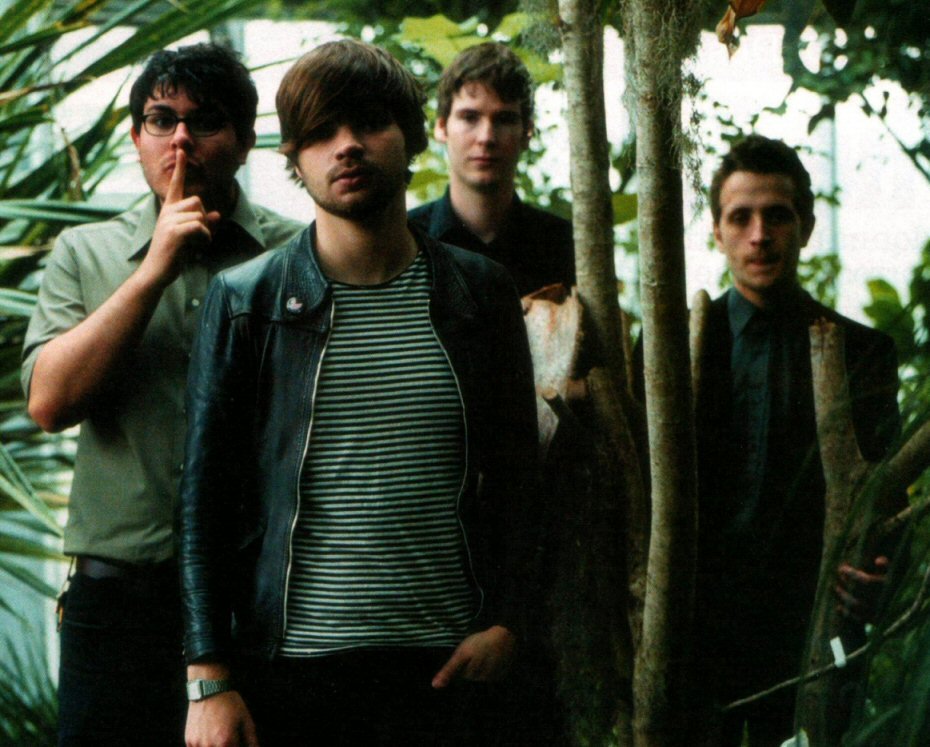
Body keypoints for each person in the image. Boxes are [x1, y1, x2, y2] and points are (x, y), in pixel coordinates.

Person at [179, 39, 539, 746]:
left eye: (370, 123)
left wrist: (508, 621)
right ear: (293, 156)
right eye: (321, 132)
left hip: (448, 668)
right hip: (294, 672)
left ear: (412, 137)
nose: (346, 146)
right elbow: (204, 498)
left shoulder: (478, 292)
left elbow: (519, 476)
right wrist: (208, 677)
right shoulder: (247, 300)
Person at [21, 43, 302, 746]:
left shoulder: (296, 255)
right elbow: (49, 403)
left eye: (205, 121)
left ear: (244, 142)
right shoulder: (84, 253)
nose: (180, 139)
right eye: (160, 119)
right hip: (117, 603)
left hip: (256, 600)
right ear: (135, 136)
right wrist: (152, 270)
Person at [694, 134, 901, 745]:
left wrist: (877, 571)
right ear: (717, 230)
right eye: (741, 217)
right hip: (695, 632)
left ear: (806, 226)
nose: (759, 235)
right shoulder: (678, 346)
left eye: (777, 216)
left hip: (809, 626)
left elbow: (885, 501)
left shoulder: (863, 352)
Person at [408, 41, 574, 296]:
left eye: (504, 119)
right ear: (441, 128)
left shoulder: (563, 243)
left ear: (527, 133)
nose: (486, 137)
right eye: (470, 117)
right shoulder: (406, 239)